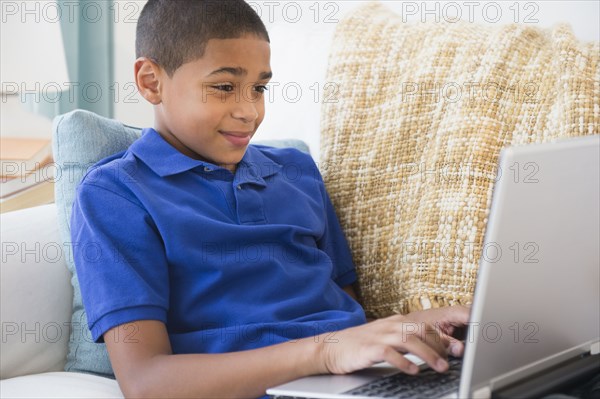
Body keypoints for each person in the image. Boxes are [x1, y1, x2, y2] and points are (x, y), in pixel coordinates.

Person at [70, 0, 470, 397]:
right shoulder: (115, 194)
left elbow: (347, 314)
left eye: (259, 88)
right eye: (224, 87)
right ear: (151, 82)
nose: (250, 111)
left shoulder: (297, 171)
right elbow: (146, 382)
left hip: (359, 381)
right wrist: (324, 353)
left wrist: (411, 325)